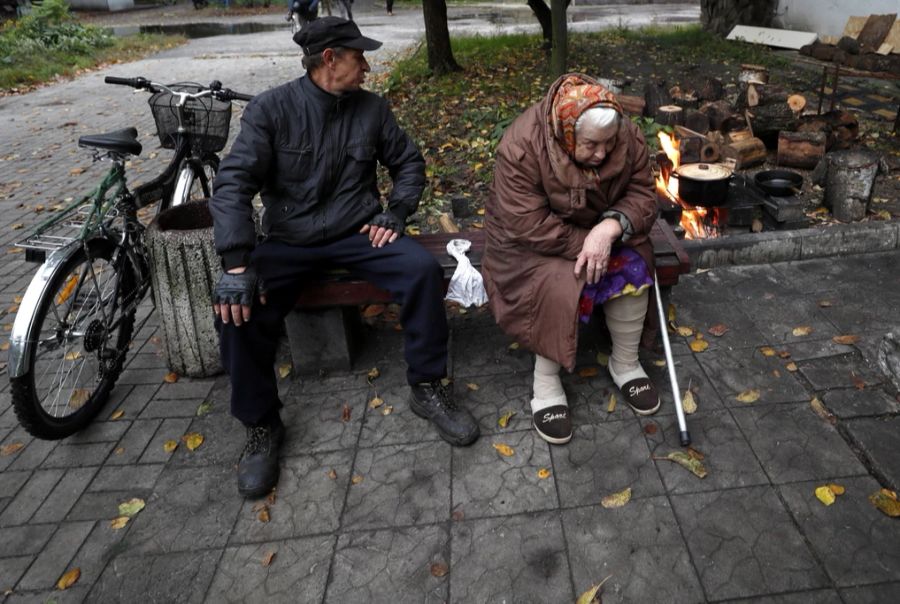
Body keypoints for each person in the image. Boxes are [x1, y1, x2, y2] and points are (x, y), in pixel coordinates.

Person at [209, 17, 480, 499]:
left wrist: (396, 212)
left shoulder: (372, 109)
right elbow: (231, 184)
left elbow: (409, 164)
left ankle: (427, 386)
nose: (368, 67)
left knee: (420, 271)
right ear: (329, 58)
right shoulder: (271, 110)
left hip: (359, 231)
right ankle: (261, 424)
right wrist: (235, 261)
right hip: (289, 240)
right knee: (237, 312)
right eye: (359, 57)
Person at [482, 73, 660, 445]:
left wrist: (610, 228)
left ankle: (625, 362)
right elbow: (525, 223)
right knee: (561, 279)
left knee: (634, 265)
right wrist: (585, 242)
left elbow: (644, 194)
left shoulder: (625, 136)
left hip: (601, 227)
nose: (602, 154)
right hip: (530, 241)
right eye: (592, 145)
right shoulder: (522, 144)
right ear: (566, 132)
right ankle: (545, 382)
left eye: (609, 144)